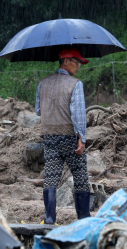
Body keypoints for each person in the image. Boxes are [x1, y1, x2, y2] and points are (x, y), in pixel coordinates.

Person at [35, 48, 90, 224]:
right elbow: (78, 114)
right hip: (69, 138)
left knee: (50, 178)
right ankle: (84, 220)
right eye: (77, 62)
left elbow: (38, 111)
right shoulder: (75, 84)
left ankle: (49, 220)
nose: (79, 66)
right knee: (80, 178)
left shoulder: (43, 82)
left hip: (49, 137)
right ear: (66, 61)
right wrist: (81, 139)